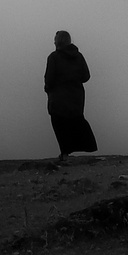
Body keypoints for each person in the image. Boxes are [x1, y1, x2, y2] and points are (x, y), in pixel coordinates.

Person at [44, 30, 98, 160]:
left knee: (59, 124)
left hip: (58, 98)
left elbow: (49, 79)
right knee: (76, 121)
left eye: (55, 39)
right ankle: (84, 147)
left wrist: (48, 89)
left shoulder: (54, 57)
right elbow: (86, 76)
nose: (54, 41)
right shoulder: (78, 56)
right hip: (76, 97)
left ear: (59, 41)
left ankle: (65, 153)